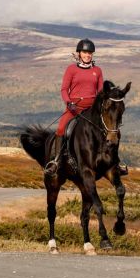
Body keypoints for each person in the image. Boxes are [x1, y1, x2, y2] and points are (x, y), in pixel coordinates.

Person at [44, 38, 103, 177]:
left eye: (90, 53)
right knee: (60, 128)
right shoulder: (71, 69)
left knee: (110, 129)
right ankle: (56, 161)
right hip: (74, 108)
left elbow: (100, 92)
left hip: (92, 108)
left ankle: (115, 162)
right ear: (79, 53)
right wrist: (68, 102)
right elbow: (64, 89)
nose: (88, 55)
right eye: (85, 52)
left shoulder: (97, 70)